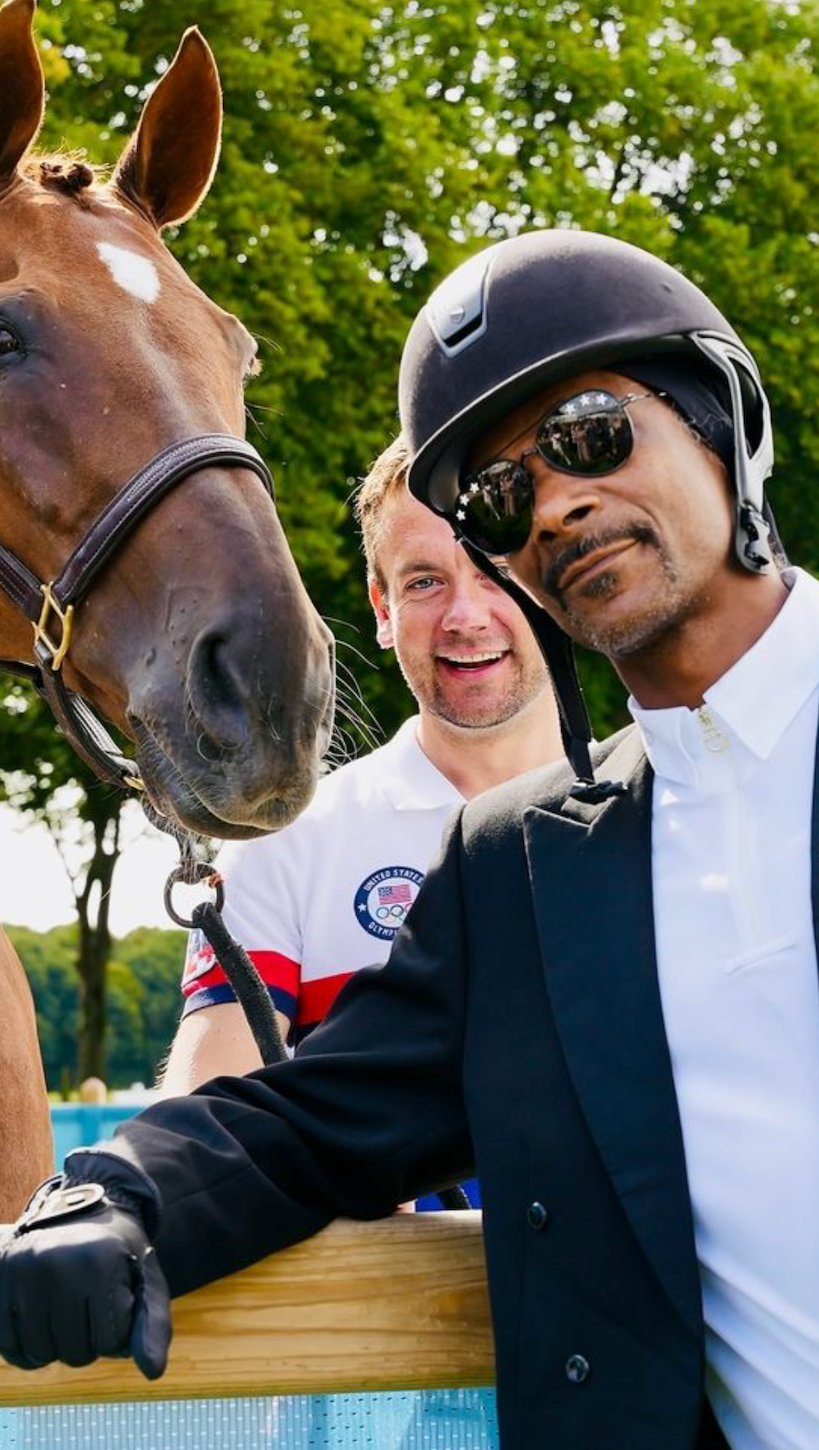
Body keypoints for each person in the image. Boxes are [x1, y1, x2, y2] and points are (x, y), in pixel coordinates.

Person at [0, 228, 819, 1450]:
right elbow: (306, 1119)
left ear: (714, 414)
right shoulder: (520, 869)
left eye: (590, 431)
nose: (555, 502)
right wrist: (110, 1193)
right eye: (499, 495)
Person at [158, 433, 562, 1109]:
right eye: (425, 582)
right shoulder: (289, 841)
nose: (464, 617)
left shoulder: (667, 811)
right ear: (383, 610)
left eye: (492, 571)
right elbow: (206, 1118)